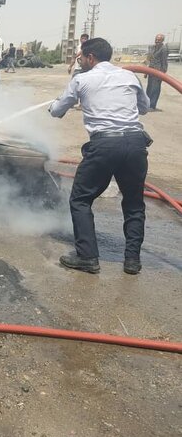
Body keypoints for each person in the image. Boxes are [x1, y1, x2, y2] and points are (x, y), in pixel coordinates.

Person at [48, 38, 151, 275]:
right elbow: (143, 107)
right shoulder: (129, 76)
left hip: (104, 145)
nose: (80, 61)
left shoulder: (81, 79)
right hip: (135, 144)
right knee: (134, 203)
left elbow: (57, 110)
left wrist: (53, 105)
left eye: (81, 57)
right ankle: (132, 262)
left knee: (81, 199)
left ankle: (87, 258)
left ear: (90, 58)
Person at [145, 34, 168, 111]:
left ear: (162, 40)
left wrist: (163, 73)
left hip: (158, 72)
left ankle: (152, 106)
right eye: (156, 39)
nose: (157, 41)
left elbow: (164, 62)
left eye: (159, 39)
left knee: (155, 89)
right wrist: (145, 71)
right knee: (149, 88)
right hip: (150, 70)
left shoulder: (163, 49)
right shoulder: (151, 47)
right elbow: (148, 59)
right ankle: (147, 105)